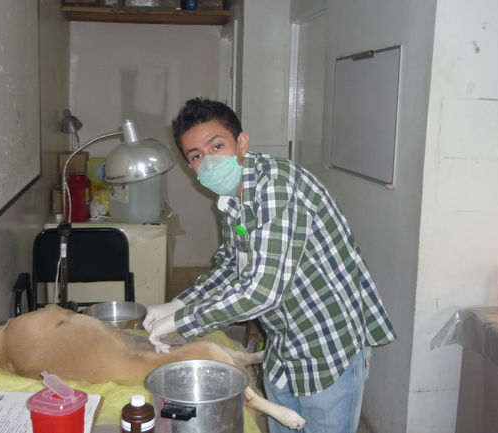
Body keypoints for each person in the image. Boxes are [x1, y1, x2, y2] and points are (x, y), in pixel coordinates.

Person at [144, 97, 396, 433]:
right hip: (284, 342)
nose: (209, 162)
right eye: (197, 155)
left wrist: (182, 320)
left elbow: (261, 292)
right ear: (190, 166)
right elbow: (231, 267)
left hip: (328, 345)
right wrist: (179, 302)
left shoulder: (277, 186)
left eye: (217, 146)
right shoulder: (232, 199)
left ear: (241, 143)